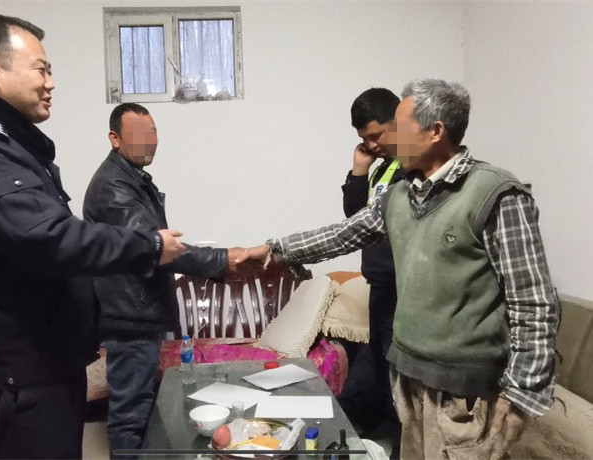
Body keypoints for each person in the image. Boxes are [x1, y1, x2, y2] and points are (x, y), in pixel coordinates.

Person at [248, 78, 559, 460]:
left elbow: (533, 300)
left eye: (399, 126)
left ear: (435, 131)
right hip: (408, 377)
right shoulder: (400, 193)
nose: (390, 138)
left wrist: (522, 390)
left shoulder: (496, 193)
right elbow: (342, 234)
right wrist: (275, 249)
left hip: (466, 390)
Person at [0, 15, 184, 459]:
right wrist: (154, 246)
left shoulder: (9, 146)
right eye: (41, 70)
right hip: (19, 379)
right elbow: (51, 239)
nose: (50, 83)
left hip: (45, 366)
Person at [83, 103, 258, 454]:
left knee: (143, 408)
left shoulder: (131, 178)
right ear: (115, 139)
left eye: (153, 132)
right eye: (138, 134)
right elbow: (156, 247)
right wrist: (223, 259)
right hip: (128, 317)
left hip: (136, 313)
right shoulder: (114, 186)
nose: (149, 141)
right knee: (131, 414)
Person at [338, 88, 403, 453]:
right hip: (380, 286)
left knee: (397, 383)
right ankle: (349, 438)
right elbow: (357, 219)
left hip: (403, 290)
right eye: (365, 138)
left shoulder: (412, 169)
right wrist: (359, 170)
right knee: (374, 369)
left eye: (376, 136)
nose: (371, 144)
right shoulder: (384, 167)